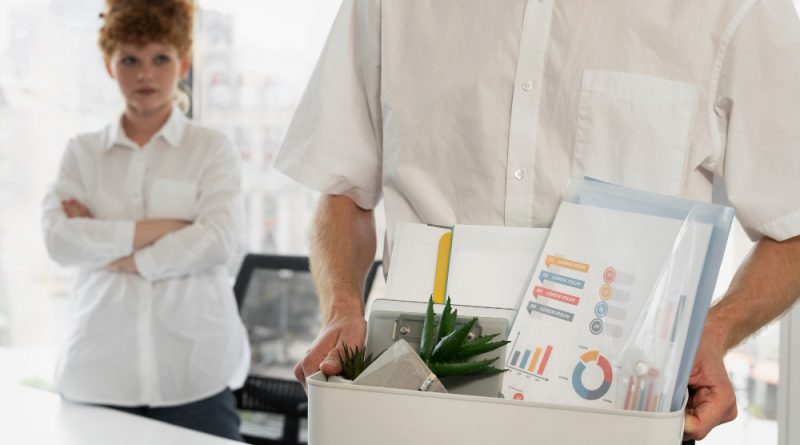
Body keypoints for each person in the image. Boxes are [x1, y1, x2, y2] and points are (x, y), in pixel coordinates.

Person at [275, 0, 800, 442]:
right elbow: (342, 189)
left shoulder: (736, 8)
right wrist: (341, 307)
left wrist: (713, 331)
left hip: (615, 416)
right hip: (411, 410)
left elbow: (793, 227)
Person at [41, 0, 248, 440]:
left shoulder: (211, 149)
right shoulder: (82, 152)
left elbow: (218, 240)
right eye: (129, 59)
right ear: (108, 65)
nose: (145, 74)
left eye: (161, 58)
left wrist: (115, 254)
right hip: (98, 371)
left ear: (184, 62)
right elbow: (60, 241)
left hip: (195, 376)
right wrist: (165, 229)